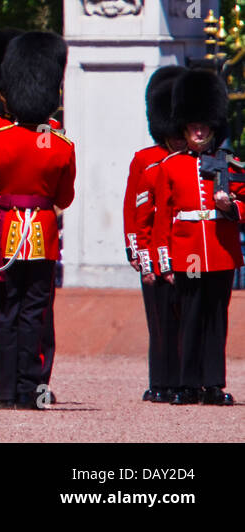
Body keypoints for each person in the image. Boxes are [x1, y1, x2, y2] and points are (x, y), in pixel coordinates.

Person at [0, 31, 74, 411]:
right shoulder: (60, 143)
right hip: (42, 235)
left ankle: (3, 392)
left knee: (2, 311)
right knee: (35, 313)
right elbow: (65, 198)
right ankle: (33, 390)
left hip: (3, 235)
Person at [151, 68, 242, 406]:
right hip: (188, 252)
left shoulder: (229, 164)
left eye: (204, 127)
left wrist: (231, 207)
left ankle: (213, 383)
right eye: (193, 127)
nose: (199, 132)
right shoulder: (171, 166)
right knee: (189, 315)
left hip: (220, 250)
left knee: (216, 316)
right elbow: (163, 217)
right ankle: (188, 383)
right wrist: (165, 262)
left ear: (213, 127)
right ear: (184, 129)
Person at [122, 66, 184, 403]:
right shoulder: (145, 161)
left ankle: (188, 381)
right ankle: (161, 380)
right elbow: (135, 211)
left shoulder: (197, 161)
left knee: (190, 321)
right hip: (155, 255)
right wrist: (142, 257)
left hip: (189, 251)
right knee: (160, 322)